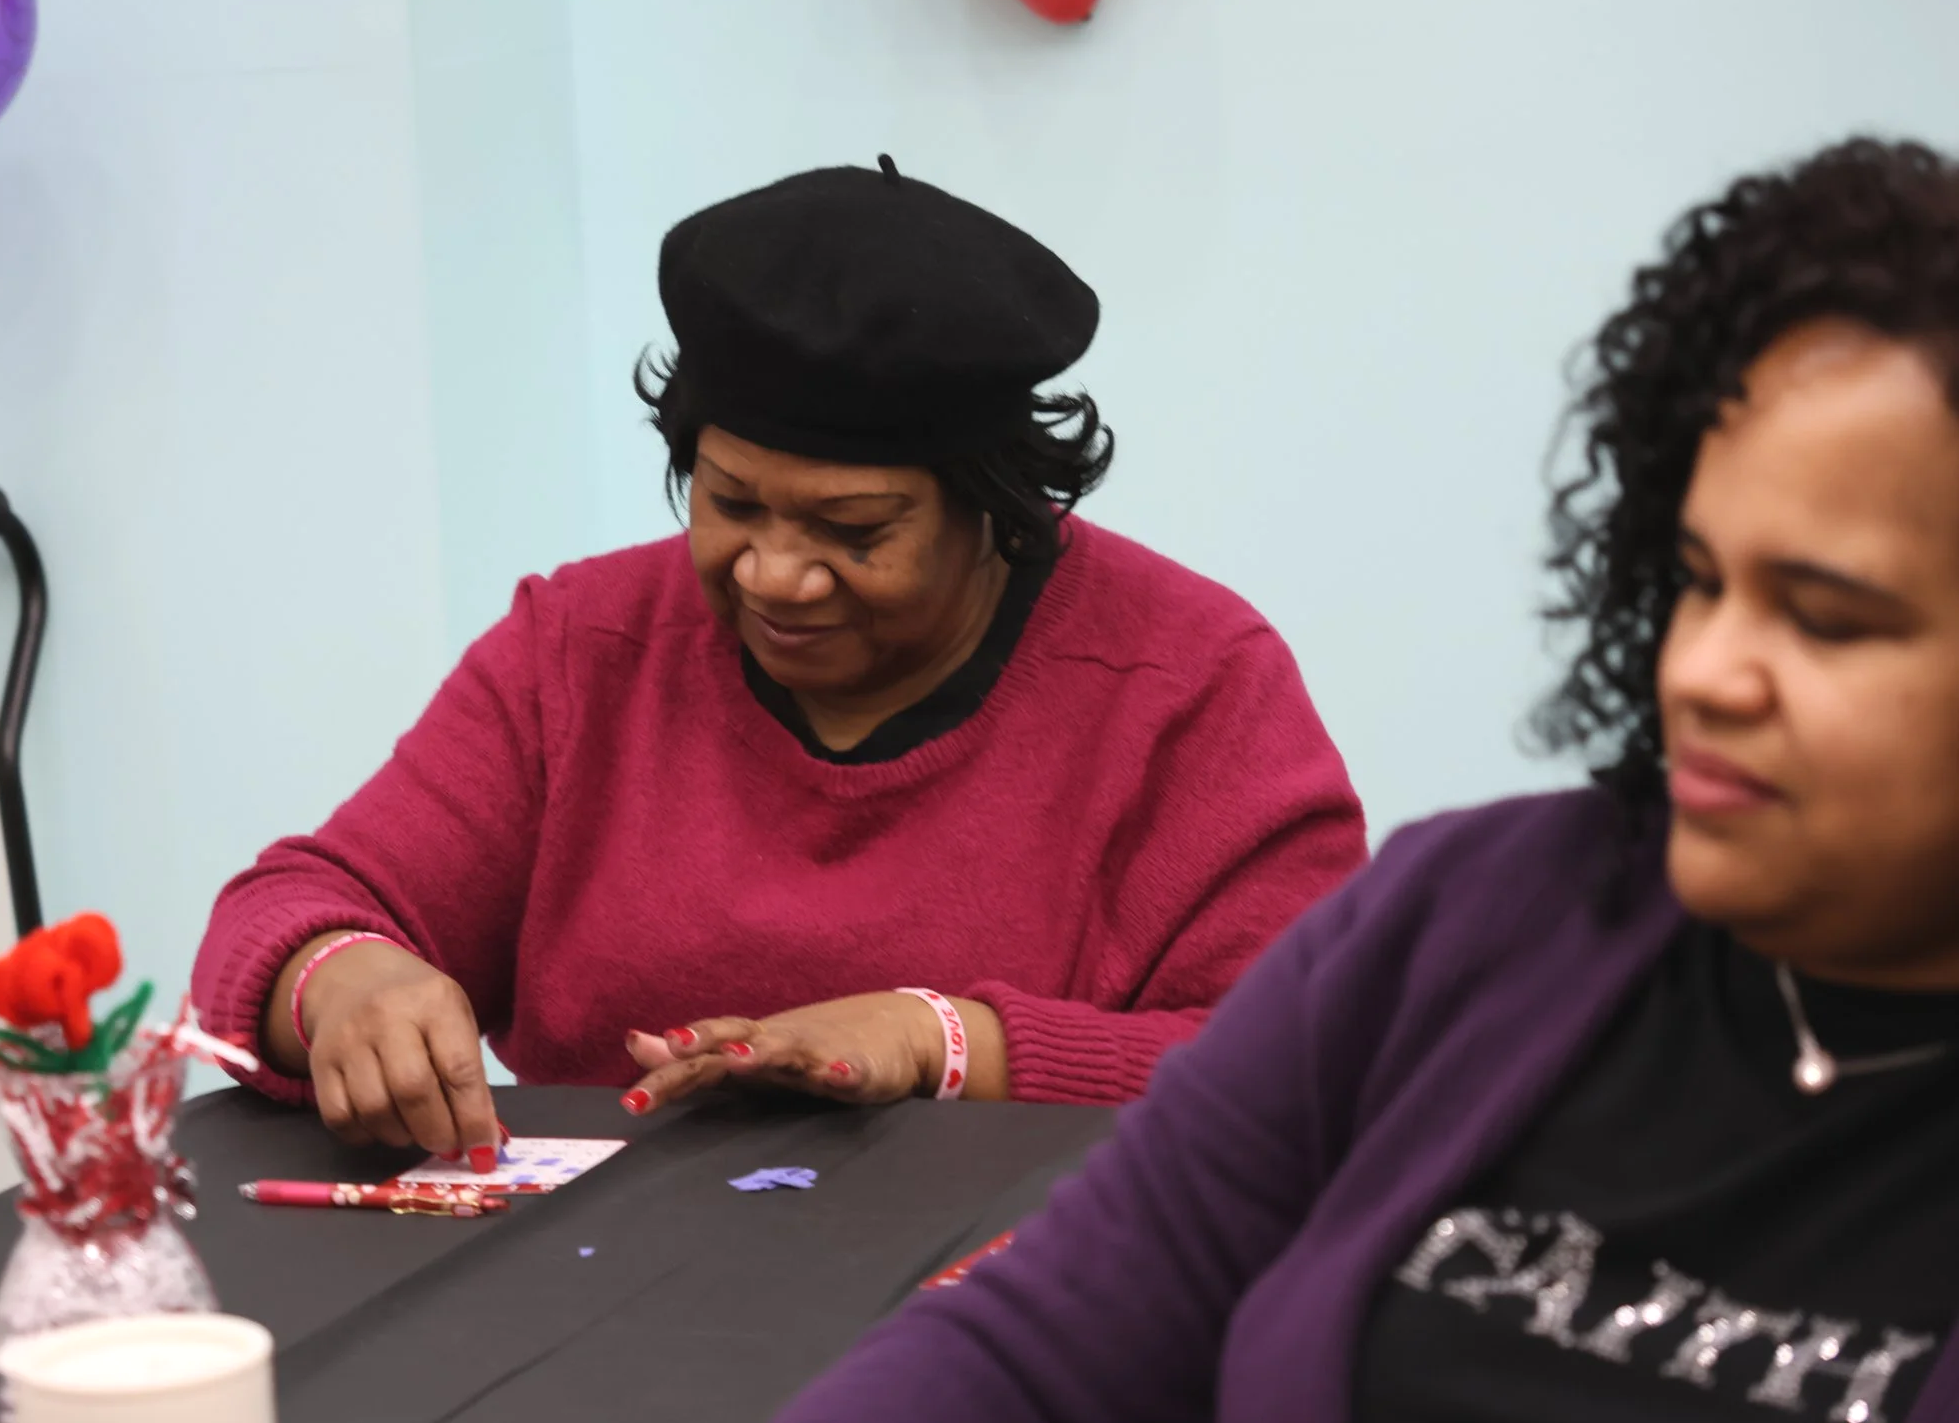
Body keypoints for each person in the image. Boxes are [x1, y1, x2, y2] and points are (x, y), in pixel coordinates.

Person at [774, 136, 1959, 1423]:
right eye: (1700, 581)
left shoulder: (1187, 670)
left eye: (1829, 620)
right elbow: (1042, 1340)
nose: (1708, 674)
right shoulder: (1480, 913)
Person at [191, 155, 1365, 1173]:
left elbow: (1318, 1059)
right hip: (597, 1291)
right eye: (731, 502)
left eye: (854, 533)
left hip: (1032, 1309)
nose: (774, 576)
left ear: (1001, 508)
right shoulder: (583, 649)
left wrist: (941, 1041)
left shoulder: (1190, 683)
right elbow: (289, 909)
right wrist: (340, 980)